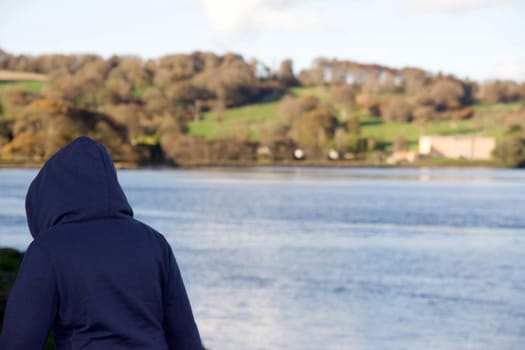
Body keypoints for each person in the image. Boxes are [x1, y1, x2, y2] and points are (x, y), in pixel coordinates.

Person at [0, 136, 202, 349]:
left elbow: (20, 340)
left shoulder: (48, 249)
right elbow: (185, 337)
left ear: (47, 197)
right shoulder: (155, 242)